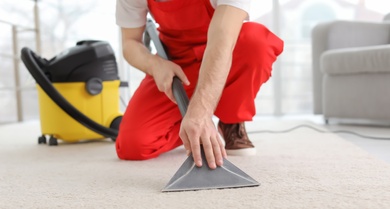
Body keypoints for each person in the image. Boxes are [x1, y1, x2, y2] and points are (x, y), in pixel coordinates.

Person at [115, 0, 284, 169]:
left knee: (256, 44)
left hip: (225, 54)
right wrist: (155, 65)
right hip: (176, 63)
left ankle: (231, 119)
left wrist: (201, 112)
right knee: (133, 145)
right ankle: (193, 128)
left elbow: (223, 38)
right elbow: (130, 42)